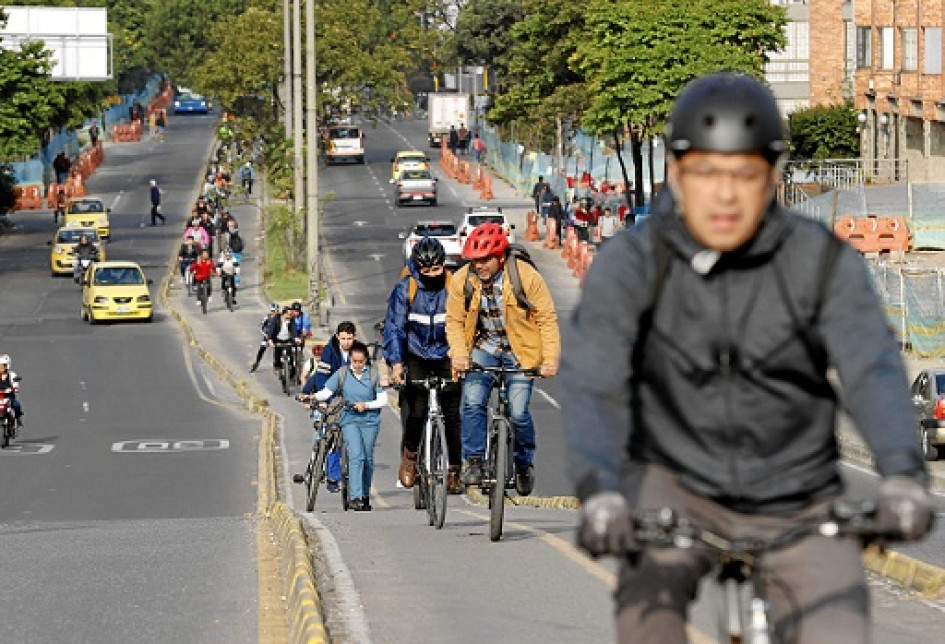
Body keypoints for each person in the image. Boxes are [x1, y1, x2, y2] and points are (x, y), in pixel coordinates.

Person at [561, 72, 934, 644]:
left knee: (838, 630)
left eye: (745, 175)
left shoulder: (819, 260)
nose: (726, 195)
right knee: (646, 622)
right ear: (677, 174)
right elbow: (595, 380)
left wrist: (904, 475)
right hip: (671, 487)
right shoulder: (634, 263)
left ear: (774, 176)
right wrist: (602, 491)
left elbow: (872, 366)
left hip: (798, 496)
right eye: (707, 174)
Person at [445, 223, 560, 494]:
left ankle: (523, 464)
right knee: (473, 402)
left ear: (500, 257)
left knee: (519, 413)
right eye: (475, 261)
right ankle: (473, 460)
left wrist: (550, 359)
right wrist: (460, 355)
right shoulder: (462, 280)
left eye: (485, 260)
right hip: (484, 347)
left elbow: (546, 318)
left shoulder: (525, 276)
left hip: (522, 351)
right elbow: (454, 321)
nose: (480, 266)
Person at [384, 237, 463, 494]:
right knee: (415, 411)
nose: (432, 275)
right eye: (426, 271)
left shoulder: (455, 286)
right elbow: (395, 329)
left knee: (452, 414)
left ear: (444, 265)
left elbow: (466, 324)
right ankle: (410, 458)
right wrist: (396, 364)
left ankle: (454, 469)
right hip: (415, 354)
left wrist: (462, 357)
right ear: (418, 268)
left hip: (447, 353)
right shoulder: (405, 289)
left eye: (436, 269)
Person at [310, 341, 387, 511]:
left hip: (370, 421)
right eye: (355, 361)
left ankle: (365, 495)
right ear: (350, 360)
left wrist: (366, 405)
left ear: (366, 359)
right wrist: (312, 397)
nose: (358, 365)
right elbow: (327, 392)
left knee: (367, 459)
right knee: (356, 455)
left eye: (361, 361)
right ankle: (355, 497)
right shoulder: (342, 373)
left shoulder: (374, 375)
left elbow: (383, 400)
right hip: (349, 418)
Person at [302, 321, 358, 493]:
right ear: (337, 337)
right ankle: (332, 476)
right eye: (343, 338)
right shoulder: (329, 350)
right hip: (331, 393)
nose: (347, 342)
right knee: (333, 434)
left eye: (350, 338)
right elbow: (321, 376)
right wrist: (324, 399)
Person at [268, 306, 302, 373]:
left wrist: (296, 338)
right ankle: (277, 366)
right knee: (277, 353)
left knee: (291, 355)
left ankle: (292, 373)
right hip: (278, 339)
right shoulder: (276, 319)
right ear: (284, 314)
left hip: (288, 339)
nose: (290, 316)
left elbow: (293, 329)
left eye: (291, 315)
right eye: (289, 314)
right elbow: (271, 329)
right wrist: (270, 340)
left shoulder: (291, 320)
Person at [251, 304, 282, 373]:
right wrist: (265, 334)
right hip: (268, 336)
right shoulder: (267, 317)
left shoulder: (280, 317)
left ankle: (276, 364)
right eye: (272, 311)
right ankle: (257, 362)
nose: (273, 312)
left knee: (278, 350)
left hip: (277, 337)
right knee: (262, 349)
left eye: (275, 311)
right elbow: (260, 327)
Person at [0, 355, 24, 429]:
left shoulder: (12, 375)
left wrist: (15, 388)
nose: (1, 368)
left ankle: (17, 418)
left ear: (7, 366)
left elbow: (15, 384)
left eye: (2, 366)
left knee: (16, 405)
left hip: (8, 396)